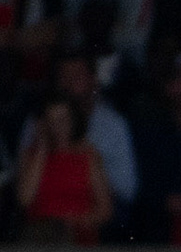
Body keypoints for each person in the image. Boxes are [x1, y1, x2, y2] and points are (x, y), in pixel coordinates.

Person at [14, 96, 112, 243]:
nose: (56, 126)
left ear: (72, 120)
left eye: (62, 119)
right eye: (50, 120)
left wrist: (78, 220)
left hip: (77, 233)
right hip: (40, 235)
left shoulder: (88, 156)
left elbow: (105, 209)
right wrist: (42, 149)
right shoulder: (30, 156)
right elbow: (25, 200)